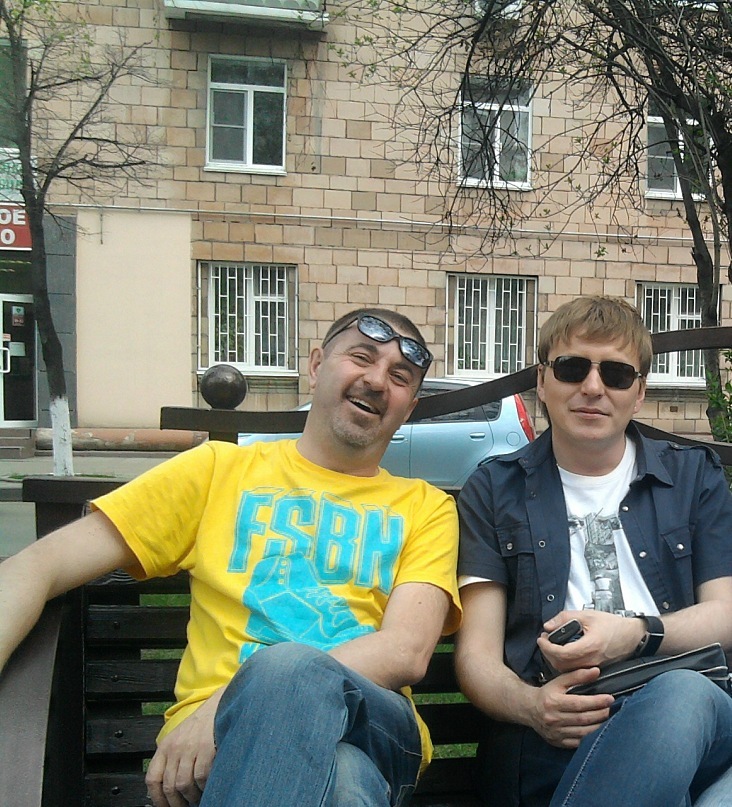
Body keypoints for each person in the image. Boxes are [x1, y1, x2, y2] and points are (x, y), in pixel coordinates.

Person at [0, 307, 461, 807]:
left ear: (408, 408)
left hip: (373, 726)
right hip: (221, 753)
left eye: (400, 377)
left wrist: (238, 698)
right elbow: (37, 566)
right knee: (345, 785)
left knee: (288, 673)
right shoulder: (217, 471)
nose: (376, 381)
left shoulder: (425, 507)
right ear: (315, 365)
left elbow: (404, 651)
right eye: (362, 357)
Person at [455, 296, 732, 807]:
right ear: (542, 381)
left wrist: (636, 634)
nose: (593, 387)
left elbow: (726, 613)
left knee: (682, 693)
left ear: (639, 393)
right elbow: (476, 656)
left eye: (617, 374)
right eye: (572, 367)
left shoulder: (693, 477)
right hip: (557, 740)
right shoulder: (494, 489)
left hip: (693, 720)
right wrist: (532, 706)